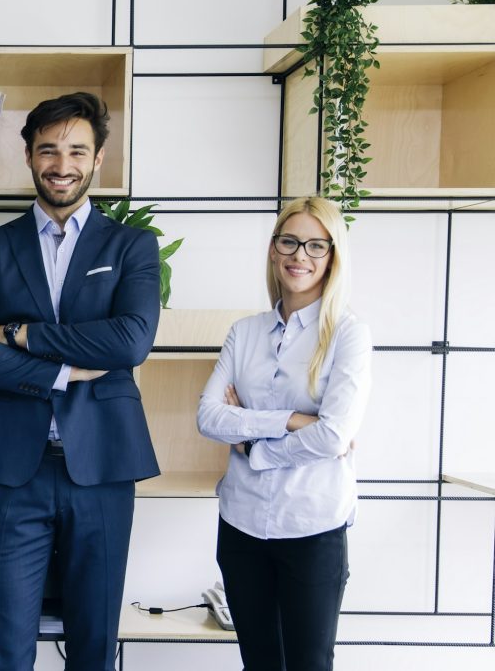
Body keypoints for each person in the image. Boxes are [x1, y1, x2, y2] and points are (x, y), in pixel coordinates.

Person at [0, 92, 161, 671]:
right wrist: (63, 370)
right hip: (14, 467)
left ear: (99, 159)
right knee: (7, 648)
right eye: (48, 150)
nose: (61, 164)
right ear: (29, 157)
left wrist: (20, 334)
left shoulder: (131, 245)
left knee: (94, 644)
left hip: (105, 463)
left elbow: (130, 342)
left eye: (76, 151)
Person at [196, 196, 372, 671]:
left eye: (317, 246)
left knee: (310, 663)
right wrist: (292, 420)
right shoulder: (245, 332)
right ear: (273, 250)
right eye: (290, 241)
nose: (301, 256)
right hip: (241, 526)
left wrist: (252, 444)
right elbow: (209, 417)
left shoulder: (348, 335)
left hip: (312, 528)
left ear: (333, 256)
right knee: (259, 663)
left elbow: (334, 437)